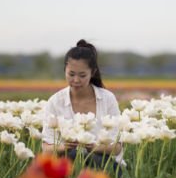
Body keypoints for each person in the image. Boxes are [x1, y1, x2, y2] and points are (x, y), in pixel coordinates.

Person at [41, 39, 123, 169]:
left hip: (105, 164)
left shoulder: (107, 99)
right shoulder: (55, 102)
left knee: (92, 158)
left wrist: (96, 147)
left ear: (93, 72)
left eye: (82, 75)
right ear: (64, 70)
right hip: (68, 163)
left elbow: (117, 148)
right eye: (71, 74)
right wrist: (64, 147)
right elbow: (46, 149)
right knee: (72, 154)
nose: (76, 80)